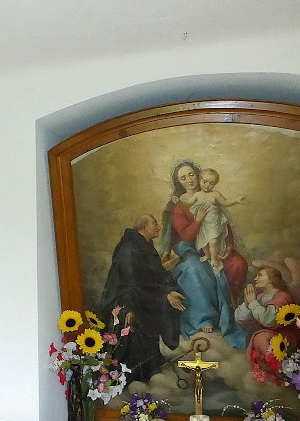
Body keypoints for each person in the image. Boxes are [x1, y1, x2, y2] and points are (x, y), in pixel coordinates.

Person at [158, 161, 247, 348]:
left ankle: (231, 308)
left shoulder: (211, 196)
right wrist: (198, 219)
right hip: (188, 250)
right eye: (183, 178)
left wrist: (228, 247)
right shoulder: (180, 205)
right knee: (195, 269)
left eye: (192, 174)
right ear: (179, 182)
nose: (189, 180)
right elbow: (186, 236)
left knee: (238, 262)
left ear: (198, 175)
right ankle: (204, 318)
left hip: (214, 244)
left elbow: (222, 224)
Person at [97, 214, 186, 383]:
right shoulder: (129, 249)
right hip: (125, 299)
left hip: (141, 297)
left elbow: (155, 275)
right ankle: (134, 375)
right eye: (154, 223)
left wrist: (169, 291)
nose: (158, 227)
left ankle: (150, 365)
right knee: (136, 330)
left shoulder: (145, 246)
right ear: (144, 227)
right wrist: (130, 307)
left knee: (156, 316)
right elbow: (129, 282)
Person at [178, 168, 246, 269]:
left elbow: (225, 203)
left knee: (213, 242)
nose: (207, 185)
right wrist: (178, 201)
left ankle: (214, 258)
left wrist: (236, 200)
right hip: (203, 225)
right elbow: (188, 202)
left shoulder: (216, 194)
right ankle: (208, 255)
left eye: (211, 183)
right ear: (200, 180)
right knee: (204, 243)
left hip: (213, 224)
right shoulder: (197, 195)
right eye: (204, 182)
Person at [235, 267, 298, 364]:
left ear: (271, 279)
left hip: (283, 338)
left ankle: (276, 369)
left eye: (260, 275)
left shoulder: (283, 296)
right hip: (268, 335)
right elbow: (239, 318)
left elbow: (269, 320)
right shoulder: (260, 297)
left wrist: (252, 303)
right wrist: (247, 305)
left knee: (261, 338)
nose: (256, 279)